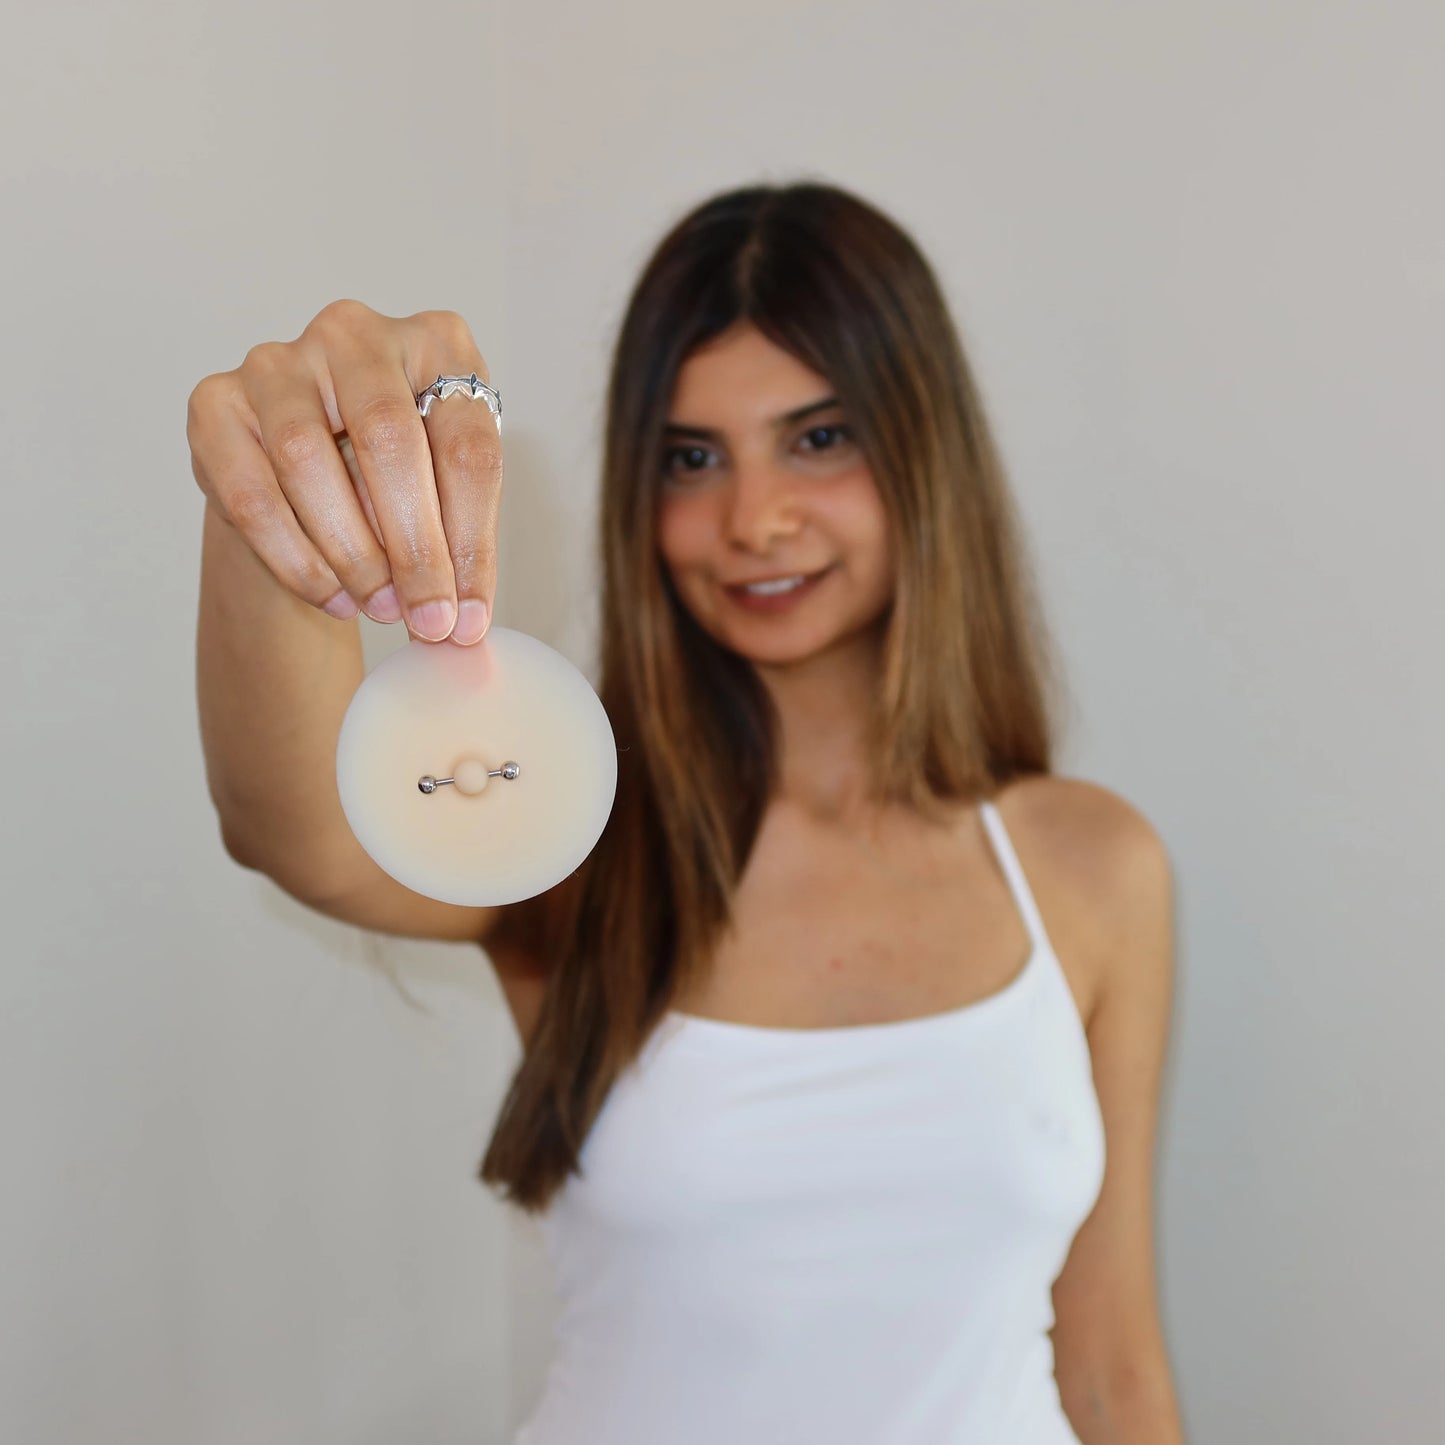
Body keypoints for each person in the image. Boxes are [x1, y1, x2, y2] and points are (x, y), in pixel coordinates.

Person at [192, 181, 1186, 1443]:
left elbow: (1109, 1373)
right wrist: (280, 498)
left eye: (820, 437)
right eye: (691, 457)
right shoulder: (575, 833)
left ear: (925, 449)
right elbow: (289, 828)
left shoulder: (1091, 865)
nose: (752, 519)